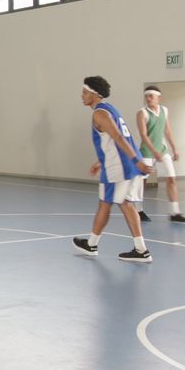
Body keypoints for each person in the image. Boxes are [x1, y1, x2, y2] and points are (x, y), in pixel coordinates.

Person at [72, 76, 153, 262]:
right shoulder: (111, 109)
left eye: (85, 92)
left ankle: (93, 245)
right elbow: (113, 140)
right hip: (124, 164)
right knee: (124, 203)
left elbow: (118, 137)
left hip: (119, 167)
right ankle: (140, 249)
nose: (82, 95)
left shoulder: (99, 114)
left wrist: (136, 161)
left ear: (95, 94)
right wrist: (100, 161)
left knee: (107, 203)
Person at [131, 85, 185, 223]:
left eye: (151, 96)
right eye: (146, 96)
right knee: (141, 181)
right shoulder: (142, 113)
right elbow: (143, 134)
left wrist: (174, 149)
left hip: (162, 151)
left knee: (172, 178)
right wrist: (153, 151)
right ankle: (138, 210)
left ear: (158, 97)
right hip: (146, 152)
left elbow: (167, 130)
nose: (148, 98)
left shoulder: (164, 110)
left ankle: (175, 212)